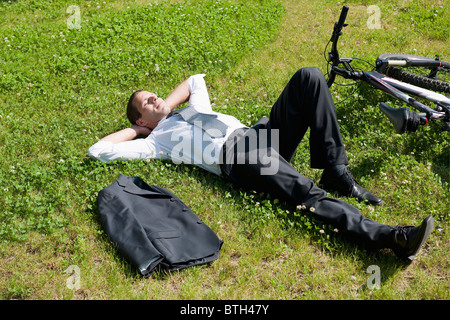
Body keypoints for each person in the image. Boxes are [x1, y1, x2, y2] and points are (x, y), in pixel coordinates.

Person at [89, 67, 434, 261]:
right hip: (243, 157)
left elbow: (195, 80)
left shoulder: (191, 107)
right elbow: (98, 150)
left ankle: (336, 170)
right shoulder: (156, 143)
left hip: (260, 134)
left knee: (309, 78)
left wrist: (167, 108)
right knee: (304, 192)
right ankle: (391, 237)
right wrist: (139, 130)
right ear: (142, 121)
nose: (154, 97)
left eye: (152, 94)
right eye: (146, 103)